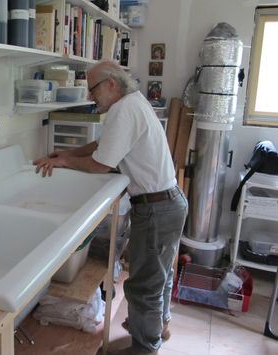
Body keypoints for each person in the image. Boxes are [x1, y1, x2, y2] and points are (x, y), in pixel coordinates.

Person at [33, 60, 188, 355]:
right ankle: (159, 326)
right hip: (168, 204)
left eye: (92, 89)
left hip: (156, 210)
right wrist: (67, 153)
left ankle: (145, 347)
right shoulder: (133, 103)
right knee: (160, 274)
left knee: (143, 286)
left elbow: (101, 164)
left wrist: (64, 162)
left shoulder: (122, 110)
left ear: (111, 85)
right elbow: (100, 146)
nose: (91, 97)